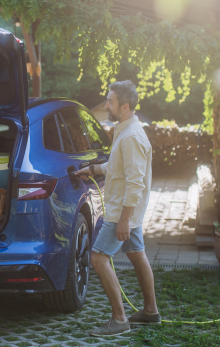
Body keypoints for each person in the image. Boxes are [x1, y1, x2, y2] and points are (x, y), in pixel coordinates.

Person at [76, 80, 160, 336]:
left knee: (98, 258)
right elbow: (117, 166)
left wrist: (124, 220)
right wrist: (92, 169)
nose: (105, 105)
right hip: (126, 211)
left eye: (110, 101)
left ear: (124, 106)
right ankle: (150, 311)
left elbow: (135, 184)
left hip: (121, 212)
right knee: (136, 254)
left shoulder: (132, 136)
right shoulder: (125, 129)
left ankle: (120, 319)